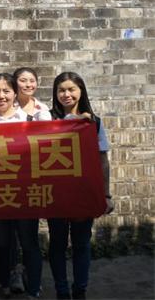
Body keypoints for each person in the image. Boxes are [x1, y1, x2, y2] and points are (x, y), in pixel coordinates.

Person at [47, 72, 113, 300]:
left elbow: (103, 160)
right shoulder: (46, 120)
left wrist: (106, 194)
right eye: (61, 90)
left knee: (81, 244)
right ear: (55, 94)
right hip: (55, 193)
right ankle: (62, 291)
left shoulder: (93, 122)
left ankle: (80, 290)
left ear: (81, 91)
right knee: (57, 244)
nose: (66, 94)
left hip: (84, 192)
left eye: (71, 89)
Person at [0, 73, 45, 299]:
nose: (1, 96)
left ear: (14, 93)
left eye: (6, 91)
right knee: (2, 243)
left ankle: (34, 287)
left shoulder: (29, 121)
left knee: (29, 242)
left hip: (26, 192)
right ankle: (5, 284)